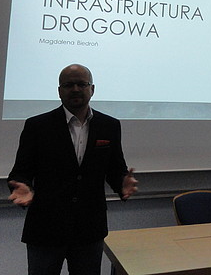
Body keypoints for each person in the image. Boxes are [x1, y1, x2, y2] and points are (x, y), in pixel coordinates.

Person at [8, 64, 138, 275]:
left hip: (89, 228)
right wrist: (22, 186)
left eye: (81, 84)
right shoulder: (37, 126)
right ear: (59, 91)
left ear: (92, 89)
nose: (75, 89)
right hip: (46, 227)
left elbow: (115, 168)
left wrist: (122, 183)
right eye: (69, 85)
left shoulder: (109, 125)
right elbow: (20, 172)